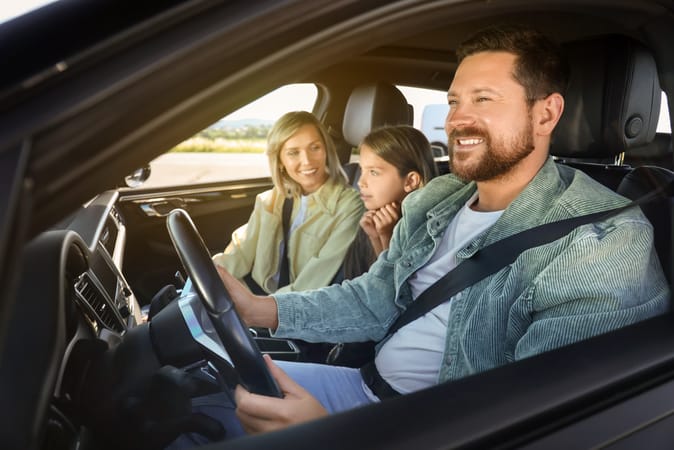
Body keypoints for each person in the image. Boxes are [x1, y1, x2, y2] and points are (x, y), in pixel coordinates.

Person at [174, 24, 671, 443]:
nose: (458, 119)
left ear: (546, 114)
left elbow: (542, 426)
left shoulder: (602, 241)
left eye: (483, 99)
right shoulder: (438, 198)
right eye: (454, 101)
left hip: (434, 429)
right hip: (367, 390)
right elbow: (376, 299)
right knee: (188, 392)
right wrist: (261, 309)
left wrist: (330, 436)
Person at [211, 110, 363, 294]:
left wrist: (258, 308)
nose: (307, 161)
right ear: (280, 160)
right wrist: (208, 276)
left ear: (326, 150)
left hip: (286, 309)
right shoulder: (273, 198)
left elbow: (312, 285)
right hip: (254, 294)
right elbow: (240, 253)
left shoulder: (349, 205)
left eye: (315, 147)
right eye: (293, 153)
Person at [342, 125, 438, 280]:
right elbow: (363, 284)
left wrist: (386, 237)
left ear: (410, 180)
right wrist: (375, 237)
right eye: (362, 170)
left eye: (373, 172)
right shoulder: (372, 221)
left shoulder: (429, 232)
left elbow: (396, 292)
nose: (361, 182)